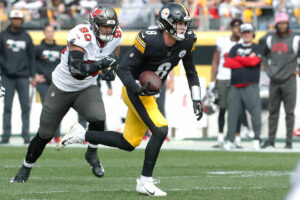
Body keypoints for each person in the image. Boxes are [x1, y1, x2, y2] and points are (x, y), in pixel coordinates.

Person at [57, 2, 203, 196]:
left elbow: (191, 72)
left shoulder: (188, 41)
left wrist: (196, 99)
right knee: (160, 129)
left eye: (185, 23)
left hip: (149, 94)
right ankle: (145, 181)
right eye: (179, 23)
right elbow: (123, 68)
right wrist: (135, 88)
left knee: (129, 142)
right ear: (167, 24)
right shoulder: (149, 40)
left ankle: (81, 135)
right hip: (134, 90)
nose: (183, 28)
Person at [10, 4, 122, 183]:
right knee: (45, 134)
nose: (108, 31)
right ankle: (25, 167)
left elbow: (115, 51)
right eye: (104, 26)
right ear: (94, 25)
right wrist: (103, 64)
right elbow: (76, 69)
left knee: (98, 117)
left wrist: (112, 67)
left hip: (86, 87)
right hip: (62, 87)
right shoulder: (81, 34)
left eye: (111, 26)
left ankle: (91, 154)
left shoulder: (117, 35)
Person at [261, 13, 300, 149]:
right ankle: (271, 141)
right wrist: (267, 69)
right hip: (274, 80)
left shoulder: (295, 39)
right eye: (280, 23)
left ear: (288, 24)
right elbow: (263, 56)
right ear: (276, 25)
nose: (282, 25)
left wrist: (298, 70)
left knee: (289, 113)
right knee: (273, 112)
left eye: (284, 23)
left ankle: (288, 142)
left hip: (289, 80)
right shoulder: (270, 39)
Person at [223, 23, 262, 150]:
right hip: (235, 85)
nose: (246, 35)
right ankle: (230, 140)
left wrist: (239, 59)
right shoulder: (235, 47)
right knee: (232, 115)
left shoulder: (257, 47)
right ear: (241, 34)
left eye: (248, 32)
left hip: (251, 85)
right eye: (244, 32)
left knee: (255, 113)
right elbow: (228, 63)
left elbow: (254, 62)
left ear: (252, 33)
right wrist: (246, 60)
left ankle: (256, 139)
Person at [209, 19, 246, 149]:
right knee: (222, 109)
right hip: (223, 78)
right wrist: (212, 81)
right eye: (235, 26)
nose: (237, 28)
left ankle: (237, 138)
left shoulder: (244, 43)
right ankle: (220, 137)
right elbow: (215, 61)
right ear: (231, 28)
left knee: (237, 111)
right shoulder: (222, 41)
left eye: (239, 26)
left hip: (237, 79)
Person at [0, 10, 36, 144]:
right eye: (14, 18)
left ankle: (26, 136)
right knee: (7, 107)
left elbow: (32, 58)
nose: (16, 21)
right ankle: (5, 136)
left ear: (22, 20)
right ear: (10, 19)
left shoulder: (27, 37)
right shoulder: (2, 35)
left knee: (25, 107)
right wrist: (5, 67)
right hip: (7, 77)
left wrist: (33, 76)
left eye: (18, 19)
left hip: (23, 77)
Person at [35, 23, 64, 143]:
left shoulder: (59, 49)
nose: (50, 34)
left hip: (56, 84)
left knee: (57, 109)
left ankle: (56, 136)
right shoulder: (38, 49)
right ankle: (45, 136)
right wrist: (35, 75)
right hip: (43, 83)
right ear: (44, 33)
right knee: (46, 109)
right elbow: (32, 63)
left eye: (52, 31)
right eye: (48, 31)